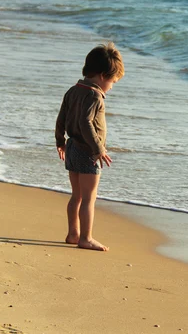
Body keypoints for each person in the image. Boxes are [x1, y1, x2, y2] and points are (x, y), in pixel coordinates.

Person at [55, 42, 124, 251]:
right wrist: (98, 149)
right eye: (113, 81)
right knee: (88, 199)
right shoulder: (95, 96)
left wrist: (60, 141)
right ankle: (86, 238)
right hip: (87, 152)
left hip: (72, 147)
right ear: (103, 75)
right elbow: (86, 122)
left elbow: (62, 117)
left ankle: (73, 234)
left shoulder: (73, 90)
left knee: (76, 195)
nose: (111, 86)